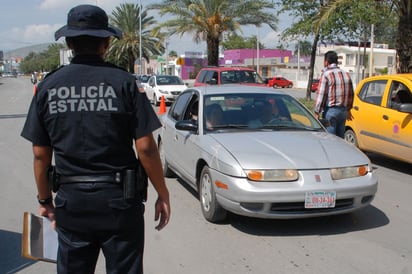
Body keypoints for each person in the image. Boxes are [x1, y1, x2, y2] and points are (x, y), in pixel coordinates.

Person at [20, 4, 170, 273]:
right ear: (107, 43)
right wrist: (163, 192)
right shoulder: (124, 82)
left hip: (71, 203)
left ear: (69, 43)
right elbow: (146, 148)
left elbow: (41, 154)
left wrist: (45, 201)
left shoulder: (47, 87)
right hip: (120, 202)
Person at [314, 51, 354, 138]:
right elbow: (351, 94)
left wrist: (317, 112)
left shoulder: (326, 74)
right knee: (340, 139)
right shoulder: (346, 74)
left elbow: (321, 95)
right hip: (343, 110)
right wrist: (349, 110)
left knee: (330, 139)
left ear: (326, 62)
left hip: (330, 111)